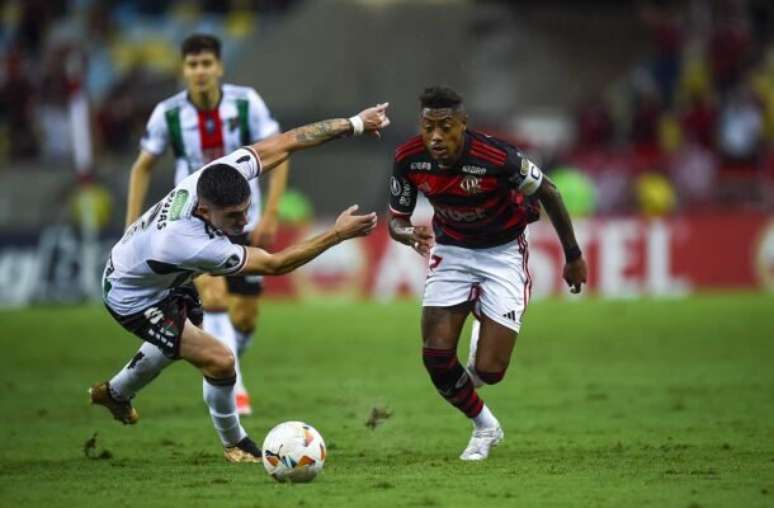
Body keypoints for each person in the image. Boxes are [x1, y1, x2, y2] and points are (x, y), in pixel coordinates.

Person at [91, 103, 390, 462]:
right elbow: (277, 264)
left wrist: (354, 123)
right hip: (131, 294)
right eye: (233, 216)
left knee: (184, 332)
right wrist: (337, 234)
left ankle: (116, 393)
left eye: (246, 209)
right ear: (204, 211)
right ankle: (235, 442)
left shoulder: (225, 172)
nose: (244, 220)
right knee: (220, 360)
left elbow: (288, 142)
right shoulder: (189, 242)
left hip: (148, 270)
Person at [388, 86, 587, 461]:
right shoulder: (408, 159)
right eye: (428, 127)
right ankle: (485, 426)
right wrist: (405, 233)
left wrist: (573, 255)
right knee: (436, 357)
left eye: (445, 127)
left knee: (490, 371)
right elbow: (395, 220)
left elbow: (551, 193)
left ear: (463, 124)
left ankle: (483, 324)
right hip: (452, 251)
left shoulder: (498, 158)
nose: (435, 137)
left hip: (503, 254)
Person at [125, 34, 288, 415]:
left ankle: (225, 361)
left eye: (206, 64)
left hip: (243, 217)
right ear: (184, 70)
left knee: (245, 316)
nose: (199, 72)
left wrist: (272, 213)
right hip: (192, 223)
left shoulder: (246, 103)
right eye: (192, 65)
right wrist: (132, 225)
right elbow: (142, 166)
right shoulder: (168, 114)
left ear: (219, 67)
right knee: (213, 298)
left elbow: (279, 152)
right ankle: (236, 391)